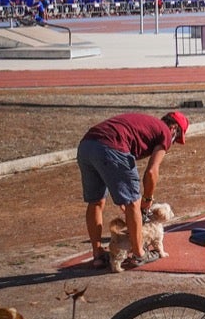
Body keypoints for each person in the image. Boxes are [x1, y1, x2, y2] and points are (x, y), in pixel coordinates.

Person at [77, 111, 189, 270]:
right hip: (112, 146)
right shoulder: (164, 132)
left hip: (87, 145)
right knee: (133, 203)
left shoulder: (147, 124)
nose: (173, 142)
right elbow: (152, 171)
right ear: (174, 128)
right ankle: (139, 253)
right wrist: (147, 200)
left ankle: (98, 255)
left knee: (95, 202)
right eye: (176, 138)